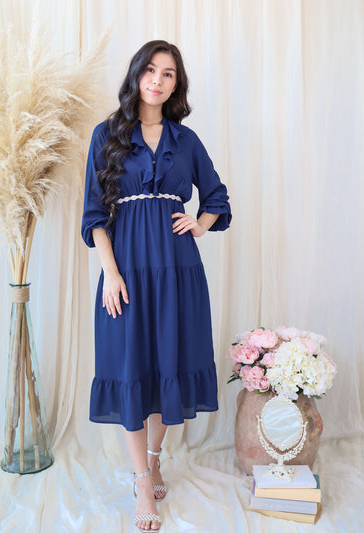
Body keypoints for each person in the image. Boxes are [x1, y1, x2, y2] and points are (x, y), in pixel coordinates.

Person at [81, 40, 231, 532]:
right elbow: (94, 214)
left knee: (172, 364)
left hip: (178, 269)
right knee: (130, 368)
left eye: (168, 73)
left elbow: (216, 198)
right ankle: (142, 482)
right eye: (150, 70)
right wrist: (110, 272)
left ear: (175, 85)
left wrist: (200, 224)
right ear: (136, 75)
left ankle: (153, 457)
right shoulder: (107, 135)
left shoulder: (186, 141)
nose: (158, 80)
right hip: (125, 269)